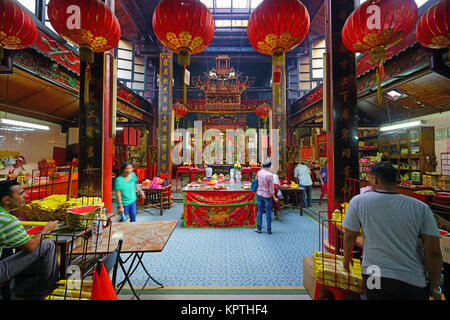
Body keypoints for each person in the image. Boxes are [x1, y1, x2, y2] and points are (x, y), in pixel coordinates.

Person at [342, 162, 443, 300]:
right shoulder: (420, 207)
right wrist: (434, 285)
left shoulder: (359, 201)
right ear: (396, 181)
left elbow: (349, 236)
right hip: (413, 278)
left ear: (375, 179)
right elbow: (433, 252)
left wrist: (347, 257)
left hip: (374, 273)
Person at [0, 180, 59, 299]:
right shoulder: (8, 221)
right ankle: (47, 292)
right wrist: (46, 229)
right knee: (47, 244)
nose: (25, 196)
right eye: (21, 193)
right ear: (6, 200)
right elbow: (30, 246)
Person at [255, 159, 277, 234]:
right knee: (268, 212)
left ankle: (259, 228)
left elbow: (256, 181)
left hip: (259, 194)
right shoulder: (270, 175)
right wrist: (274, 197)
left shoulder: (259, 173)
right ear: (269, 166)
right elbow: (271, 188)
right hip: (267, 195)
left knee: (259, 211)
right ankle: (269, 229)